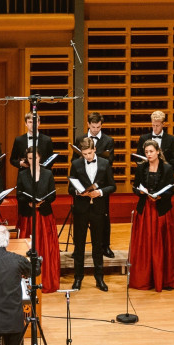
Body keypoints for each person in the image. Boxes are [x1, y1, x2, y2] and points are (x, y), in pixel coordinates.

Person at [129, 139, 174, 292]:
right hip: (145, 210)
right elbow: (135, 187)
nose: (149, 154)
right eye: (146, 152)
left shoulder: (167, 168)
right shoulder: (141, 168)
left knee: (162, 244)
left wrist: (160, 196)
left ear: (158, 151)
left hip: (161, 210)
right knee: (145, 245)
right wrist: (139, 191)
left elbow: (171, 189)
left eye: (151, 151)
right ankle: (145, 279)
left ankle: (165, 280)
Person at [68, 137, 114, 291]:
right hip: (81, 209)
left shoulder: (104, 163)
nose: (87, 156)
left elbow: (112, 186)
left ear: (94, 149)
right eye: (84, 154)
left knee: (98, 245)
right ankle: (78, 278)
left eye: (89, 153)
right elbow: (70, 188)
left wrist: (99, 192)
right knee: (79, 245)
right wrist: (79, 192)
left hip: (98, 210)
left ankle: (99, 278)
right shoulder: (75, 164)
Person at [16, 148, 60, 293]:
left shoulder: (47, 174)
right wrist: (28, 203)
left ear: (39, 158)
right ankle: (24, 284)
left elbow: (53, 195)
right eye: (29, 158)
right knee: (28, 247)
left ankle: (46, 280)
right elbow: (19, 195)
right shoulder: (22, 174)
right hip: (28, 216)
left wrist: (43, 202)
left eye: (34, 157)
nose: (32, 160)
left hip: (44, 215)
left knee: (46, 248)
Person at [75, 112, 116, 258]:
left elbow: (109, 161)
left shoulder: (108, 140)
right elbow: (75, 163)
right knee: (80, 221)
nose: (95, 130)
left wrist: (96, 158)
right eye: (93, 127)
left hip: (101, 184)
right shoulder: (80, 138)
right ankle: (77, 249)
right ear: (88, 125)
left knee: (104, 217)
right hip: (84, 184)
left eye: (98, 127)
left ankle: (105, 246)